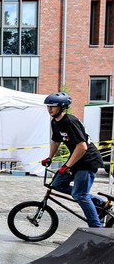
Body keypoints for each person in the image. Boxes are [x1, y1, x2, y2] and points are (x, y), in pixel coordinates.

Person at [41, 92, 106, 227]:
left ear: (62, 107)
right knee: (57, 184)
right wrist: (49, 157)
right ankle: (97, 201)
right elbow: (55, 141)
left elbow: (82, 147)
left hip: (87, 160)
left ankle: (96, 228)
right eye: (48, 106)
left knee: (80, 195)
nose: (50, 109)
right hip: (76, 159)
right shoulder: (55, 122)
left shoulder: (70, 121)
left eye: (53, 106)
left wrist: (68, 166)